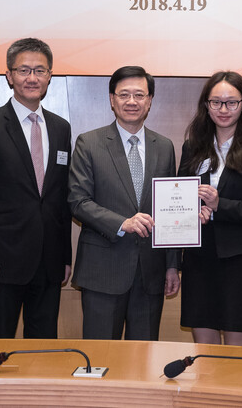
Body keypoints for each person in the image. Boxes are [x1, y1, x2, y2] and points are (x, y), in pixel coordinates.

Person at [0, 38, 72, 339]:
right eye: (24, 70)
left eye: (40, 70)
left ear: (49, 76)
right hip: (1, 263)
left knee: (44, 348)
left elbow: (61, 199)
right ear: (9, 76)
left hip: (49, 262)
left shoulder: (61, 128)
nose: (32, 78)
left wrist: (64, 257)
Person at [69, 65, 179, 340]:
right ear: (111, 99)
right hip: (103, 271)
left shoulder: (164, 146)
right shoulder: (89, 143)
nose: (132, 102)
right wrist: (122, 223)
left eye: (139, 95)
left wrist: (172, 265)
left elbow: (170, 209)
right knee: (100, 358)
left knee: (143, 359)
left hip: (150, 274)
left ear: (150, 100)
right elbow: (78, 201)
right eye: (124, 94)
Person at [177, 71, 242, 346]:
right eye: (216, 102)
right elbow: (179, 201)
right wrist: (193, 212)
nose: (223, 109)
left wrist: (220, 205)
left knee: (236, 354)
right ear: (205, 106)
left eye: (231, 102)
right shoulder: (192, 148)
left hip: (239, 261)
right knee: (204, 352)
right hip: (199, 259)